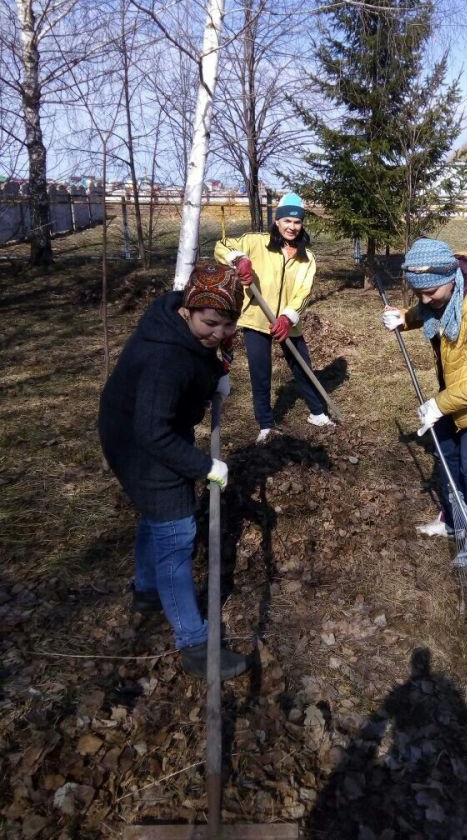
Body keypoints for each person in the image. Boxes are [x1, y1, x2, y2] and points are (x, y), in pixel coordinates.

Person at [98, 263, 250, 681]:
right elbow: (152, 432)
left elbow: (198, 360)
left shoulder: (179, 328)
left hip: (144, 428)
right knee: (176, 533)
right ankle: (195, 645)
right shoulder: (166, 356)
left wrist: (214, 377)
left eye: (228, 324)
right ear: (188, 310)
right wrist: (205, 466)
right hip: (138, 442)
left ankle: (147, 592)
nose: (219, 333)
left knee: (156, 515)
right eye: (211, 322)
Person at [381, 237, 467, 539]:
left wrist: (439, 405)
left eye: (430, 291)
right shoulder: (444, 292)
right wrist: (404, 318)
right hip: (458, 384)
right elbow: (428, 309)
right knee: (445, 451)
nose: (426, 299)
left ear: (449, 280)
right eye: (419, 293)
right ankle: (451, 518)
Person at [215, 191, 333, 444]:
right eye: (287, 221)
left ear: (302, 224)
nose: (292, 226)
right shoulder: (255, 242)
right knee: (261, 373)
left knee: (302, 366)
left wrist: (288, 318)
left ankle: (317, 412)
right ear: (277, 221)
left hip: (287, 321)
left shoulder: (306, 258)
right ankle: (266, 425)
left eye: (297, 221)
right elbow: (222, 245)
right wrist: (240, 259)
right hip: (256, 318)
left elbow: (304, 292)